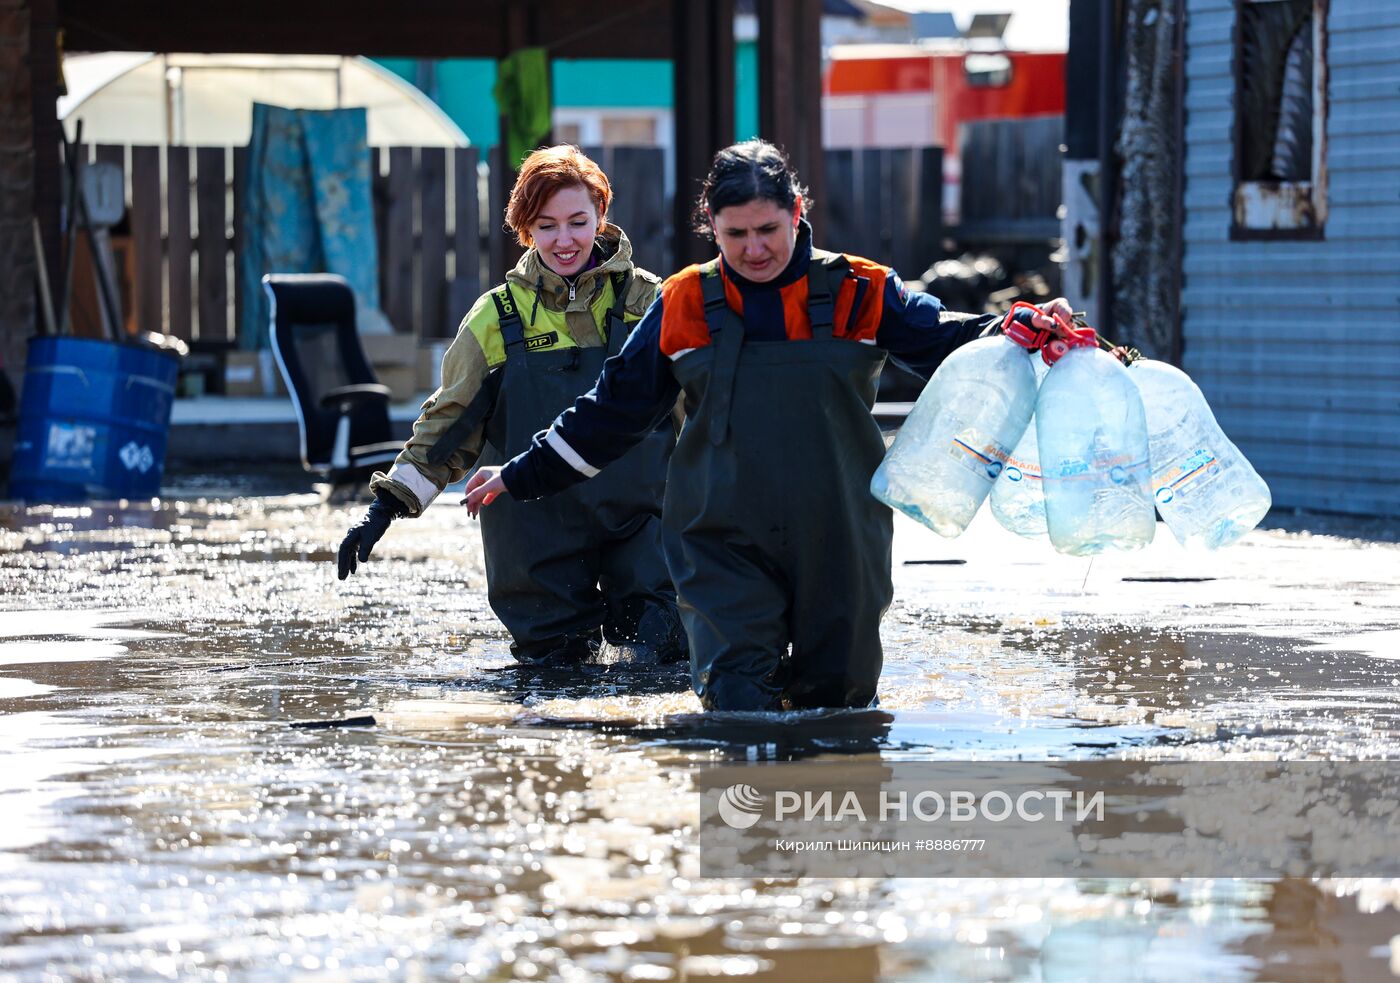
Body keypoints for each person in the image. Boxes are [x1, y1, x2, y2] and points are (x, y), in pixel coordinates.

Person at [465, 139, 1072, 710]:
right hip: (720, 541)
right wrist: (522, 474)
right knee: (735, 711)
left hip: (840, 541)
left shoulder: (861, 289)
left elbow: (948, 338)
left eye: (767, 231)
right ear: (711, 224)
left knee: (838, 711)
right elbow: (611, 412)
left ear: (796, 212)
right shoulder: (682, 303)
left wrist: (1022, 327)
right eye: (735, 235)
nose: (754, 250)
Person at [339, 145, 686, 667]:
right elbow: (449, 423)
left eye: (577, 221)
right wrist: (386, 507)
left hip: (642, 517)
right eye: (546, 226)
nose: (564, 240)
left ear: (601, 216)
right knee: (553, 675)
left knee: (662, 654)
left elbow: (702, 411)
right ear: (525, 229)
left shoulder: (651, 303)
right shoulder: (494, 318)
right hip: (530, 528)